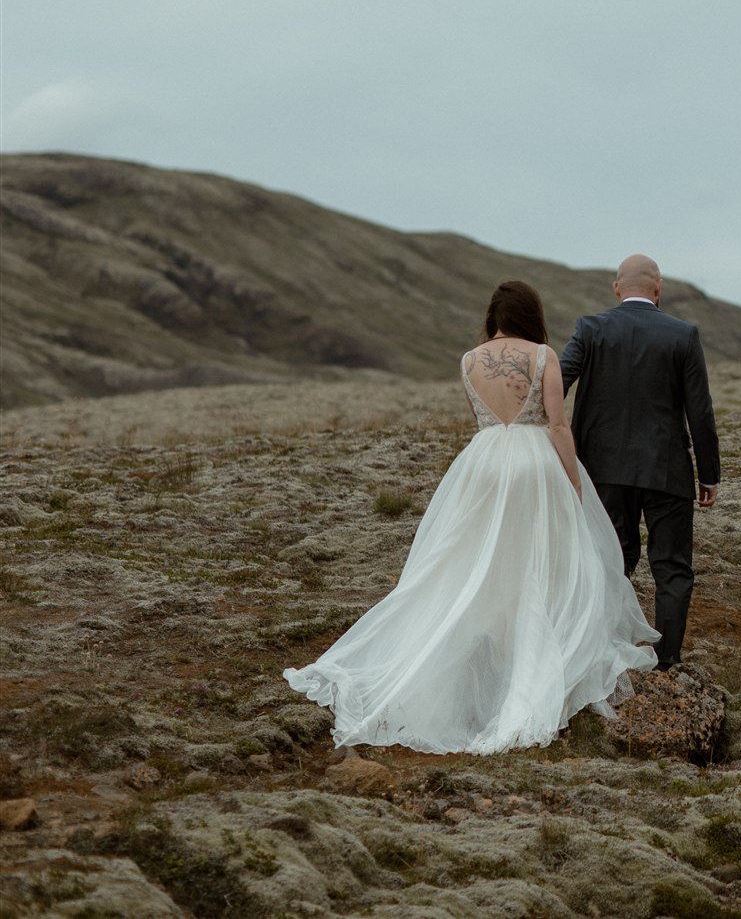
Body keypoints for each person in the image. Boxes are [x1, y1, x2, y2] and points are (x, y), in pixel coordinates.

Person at [282, 281, 657, 753]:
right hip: (535, 465)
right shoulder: (543, 356)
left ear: (493, 317)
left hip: (483, 465)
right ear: (530, 315)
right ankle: (537, 653)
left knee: (475, 559)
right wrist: (574, 482)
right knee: (543, 560)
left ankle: (487, 653)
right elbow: (558, 424)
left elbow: (483, 419)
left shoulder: (468, 361)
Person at [559, 254, 721, 670]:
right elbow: (700, 410)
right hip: (667, 470)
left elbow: (556, 383)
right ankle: (667, 662)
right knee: (672, 568)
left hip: (602, 471)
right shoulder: (683, 335)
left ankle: (601, 653)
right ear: (658, 287)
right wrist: (708, 474)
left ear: (617, 288)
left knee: (610, 562)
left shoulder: (590, 329)